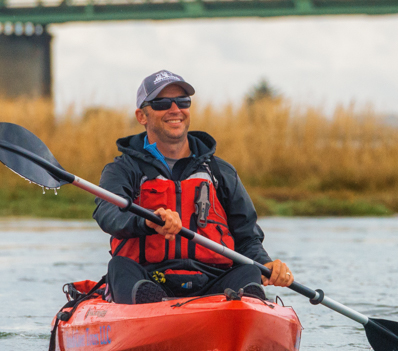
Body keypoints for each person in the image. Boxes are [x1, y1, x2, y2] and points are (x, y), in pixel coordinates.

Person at [96, 69, 294, 305]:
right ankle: (152, 312)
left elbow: (247, 238)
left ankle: (241, 319)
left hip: (212, 282)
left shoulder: (220, 172)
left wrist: (266, 263)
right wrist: (146, 220)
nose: (175, 109)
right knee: (119, 266)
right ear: (142, 116)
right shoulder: (122, 170)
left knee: (250, 272)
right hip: (148, 277)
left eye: (183, 101)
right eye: (161, 103)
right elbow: (108, 214)